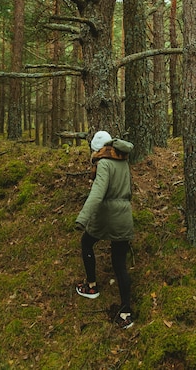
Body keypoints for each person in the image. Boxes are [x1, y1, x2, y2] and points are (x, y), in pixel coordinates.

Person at [75, 130, 135, 329]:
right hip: (124, 216)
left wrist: (83, 218)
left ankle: (91, 286)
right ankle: (126, 312)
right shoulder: (123, 160)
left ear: (97, 150)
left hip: (106, 217)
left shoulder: (103, 164)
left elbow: (97, 194)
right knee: (120, 264)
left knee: (86, 242)